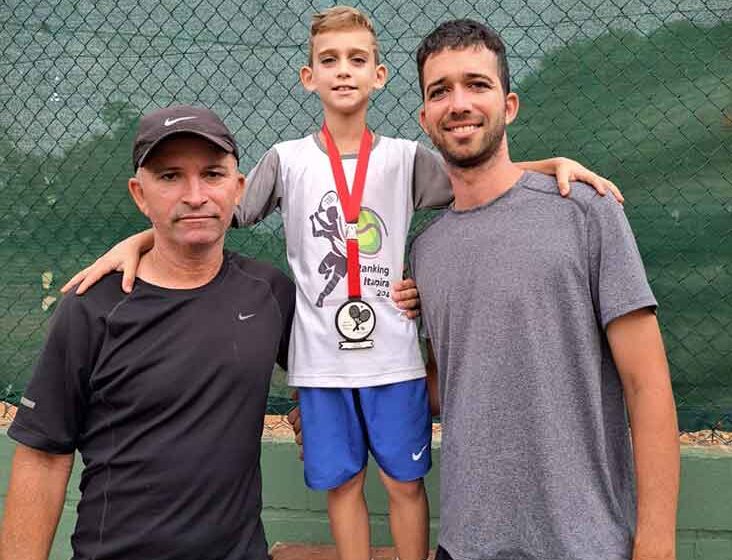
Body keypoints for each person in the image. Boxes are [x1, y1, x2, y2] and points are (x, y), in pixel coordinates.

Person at [60, 8, 623, 560]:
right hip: (321, 366)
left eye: (358, 59)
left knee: (405, 484)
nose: (343, 70)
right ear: (309, 78)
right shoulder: (286, 160)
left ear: (379, 75)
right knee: (343, 485)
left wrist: (550, 162)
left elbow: (482, 178)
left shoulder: (408, 159)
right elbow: (209, 211)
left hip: (395, 360)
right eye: (328, 60)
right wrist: (135, 241)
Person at [408, 19, 680, 560]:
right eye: (440, 90)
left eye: (476, 85)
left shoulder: (585, 210)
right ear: (425, 118)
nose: (458, 103)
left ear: (508, 106)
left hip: (585, 545)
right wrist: (338, 397)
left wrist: (656, 542)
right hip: (463, 546)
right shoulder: (426, 251)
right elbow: (448, 387)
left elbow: (647, 385)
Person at [0, 105, 296, 560]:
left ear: (238, 189)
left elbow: (334, 372)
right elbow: (43, 456)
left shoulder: (269, 293)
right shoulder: (91, 306)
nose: (195, 195)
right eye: (170, 176)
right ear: (140, 194)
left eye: (213, 174)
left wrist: (314, 408)